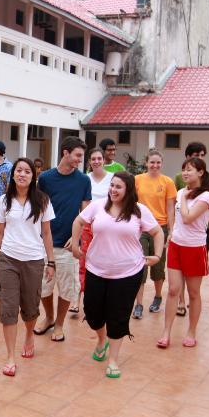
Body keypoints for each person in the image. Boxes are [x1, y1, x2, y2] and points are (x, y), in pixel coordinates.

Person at [72, 172, 163, 379]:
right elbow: (78, 222)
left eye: (118, 187)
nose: (113, 190)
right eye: (112, 185)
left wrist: (157, 255)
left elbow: (158, 232)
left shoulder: (139, 211)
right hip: (96, 268)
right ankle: (101, 340)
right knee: (93, 313)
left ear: (128, 190)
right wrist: (76, 244)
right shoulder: (98, 206)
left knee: (118, 316)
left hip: (128, 272)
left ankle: (113, 359)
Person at [0, 158, 55, 377]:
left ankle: (29, 334)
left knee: (30, 306)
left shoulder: (42, 201)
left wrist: (51, 261)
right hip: (8, 259)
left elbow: (46, 233)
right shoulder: (4, 201)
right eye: (19, 170)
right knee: (8, 308)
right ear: (13, 174)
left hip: (34, 260)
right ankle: (10, 356)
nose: (22, 174)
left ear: (32, 176)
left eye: (27, 171)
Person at [35, 136, 91, 341]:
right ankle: (49, 317)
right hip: (45, 243)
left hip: (69, 245)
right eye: (77, 155)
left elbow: (85, 213)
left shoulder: (83, 180)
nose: (80, 160)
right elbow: (39, 209)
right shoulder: (46, 179)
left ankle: (59, 324)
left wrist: (75, 238)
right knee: (43, 286)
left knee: (67, 287)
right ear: (65, 153)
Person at [157, 158, 209, 348]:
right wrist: (172, 232)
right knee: (173, 290)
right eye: (184, 170)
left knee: (193, 292)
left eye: (189, 170)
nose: (185, 173)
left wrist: (183, 197)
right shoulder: (182, 191)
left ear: (201, 172)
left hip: (195, 248)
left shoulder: (206, 196)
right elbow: (174, 216)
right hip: (176, 245)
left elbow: (189, 218)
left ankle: (191, 332)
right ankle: (166, 333)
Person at [132, 149, 176, 319]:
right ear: (146, 163)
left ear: (161, 164)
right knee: (140, 264)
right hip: (141, 227)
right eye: (152, 162)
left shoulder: (168, 182)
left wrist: (171, 230)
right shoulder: (137, 180)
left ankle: (158, 297)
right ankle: (139, 304)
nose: (155, 165)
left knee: (158, 265)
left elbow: (171, 208)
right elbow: (131, 202)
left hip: (161, 228)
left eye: (158, 162)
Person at [70, 147, 113, 314]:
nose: (96, 161)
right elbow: (80, 205)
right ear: (89, 161)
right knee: (83, 262)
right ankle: (76, 300)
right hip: (87, 225)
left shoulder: (112, 178)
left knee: (103, 262)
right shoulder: (84, 179)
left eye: (99, 158)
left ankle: (97, 301)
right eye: (93, 159)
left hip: (106, 227)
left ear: (103, 160)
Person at [174, 142, 209, 251]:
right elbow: (174, 204)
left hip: (201, 228)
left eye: (202, 155)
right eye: (196, 155)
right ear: (188, 157)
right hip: (180, 231)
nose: (200, 158)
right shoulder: (179, 178)